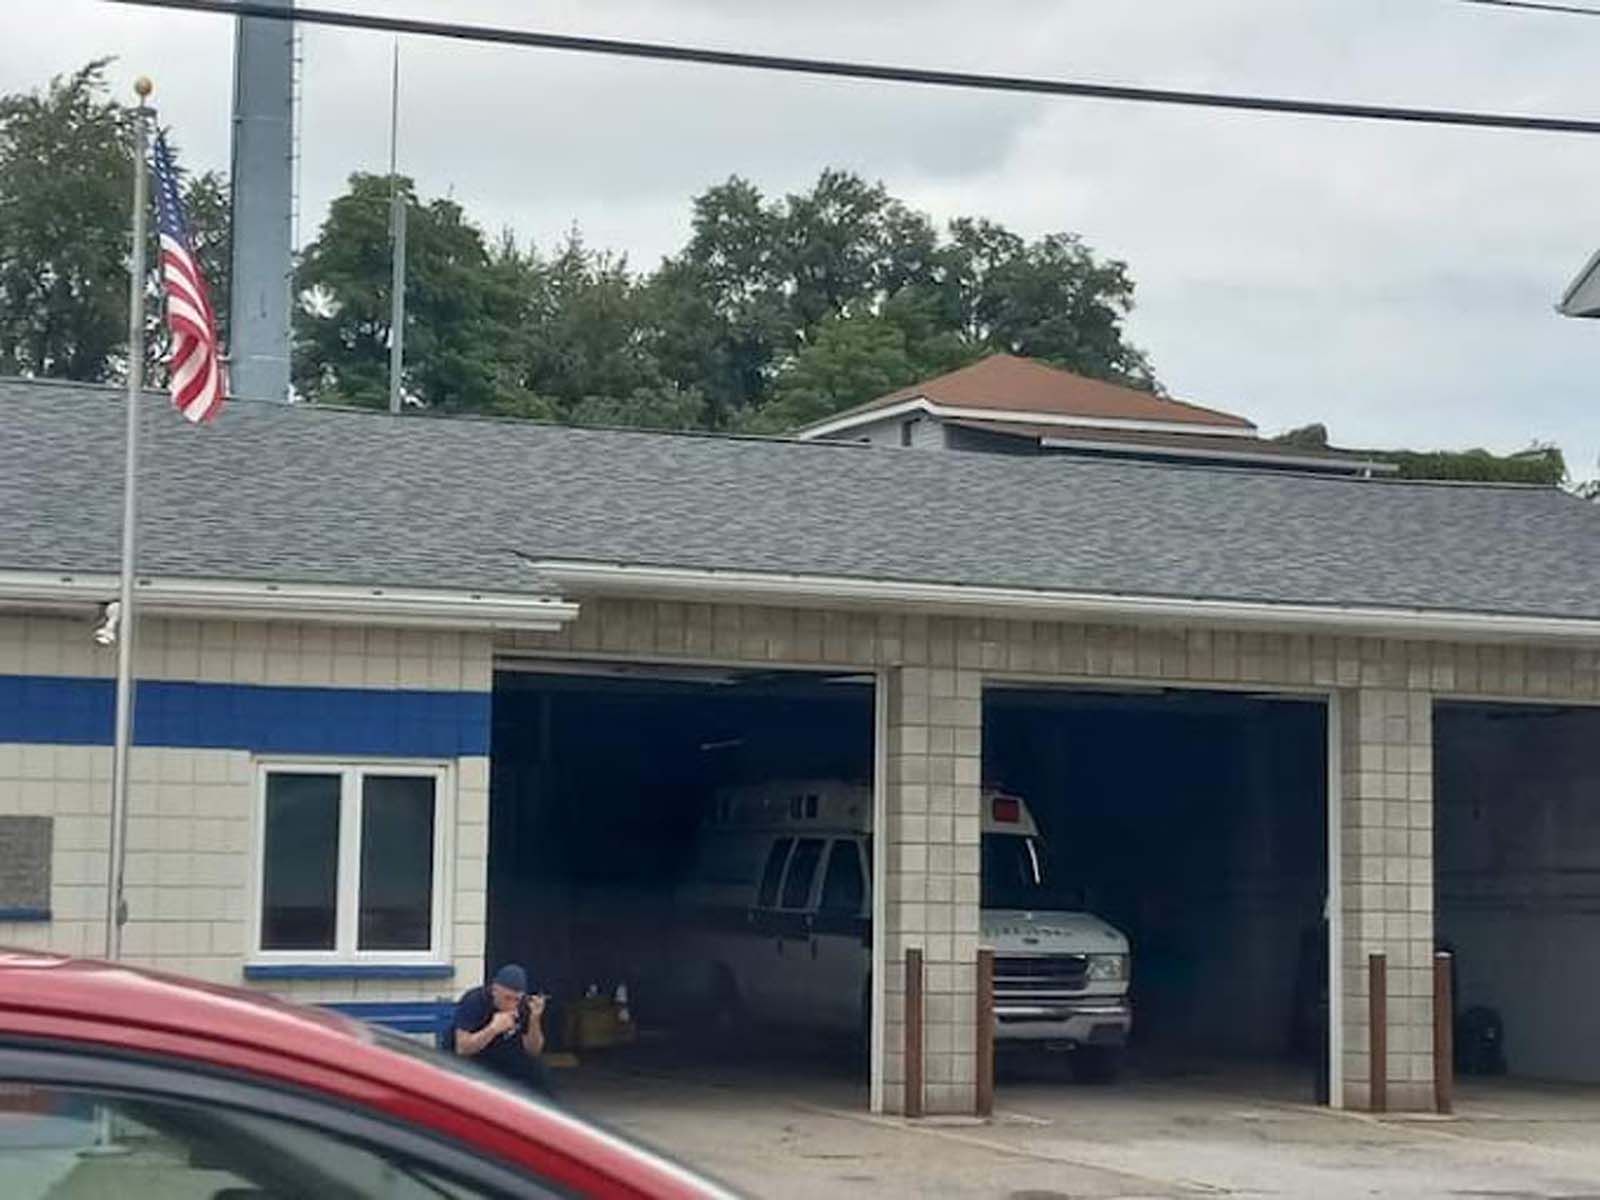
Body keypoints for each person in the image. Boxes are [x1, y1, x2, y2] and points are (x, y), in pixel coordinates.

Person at [453, 963, 552, 1098]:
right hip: (477, 1057)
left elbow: (533, 1050)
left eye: (516, 999)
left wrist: (535, 1019)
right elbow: (462, 1048)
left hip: (506, 1056)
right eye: (507, 998)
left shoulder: (523, 1005)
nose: (511, 1004)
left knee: (539, 1072)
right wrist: (493, 1029)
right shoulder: (475, 1000)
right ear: (495, 990)